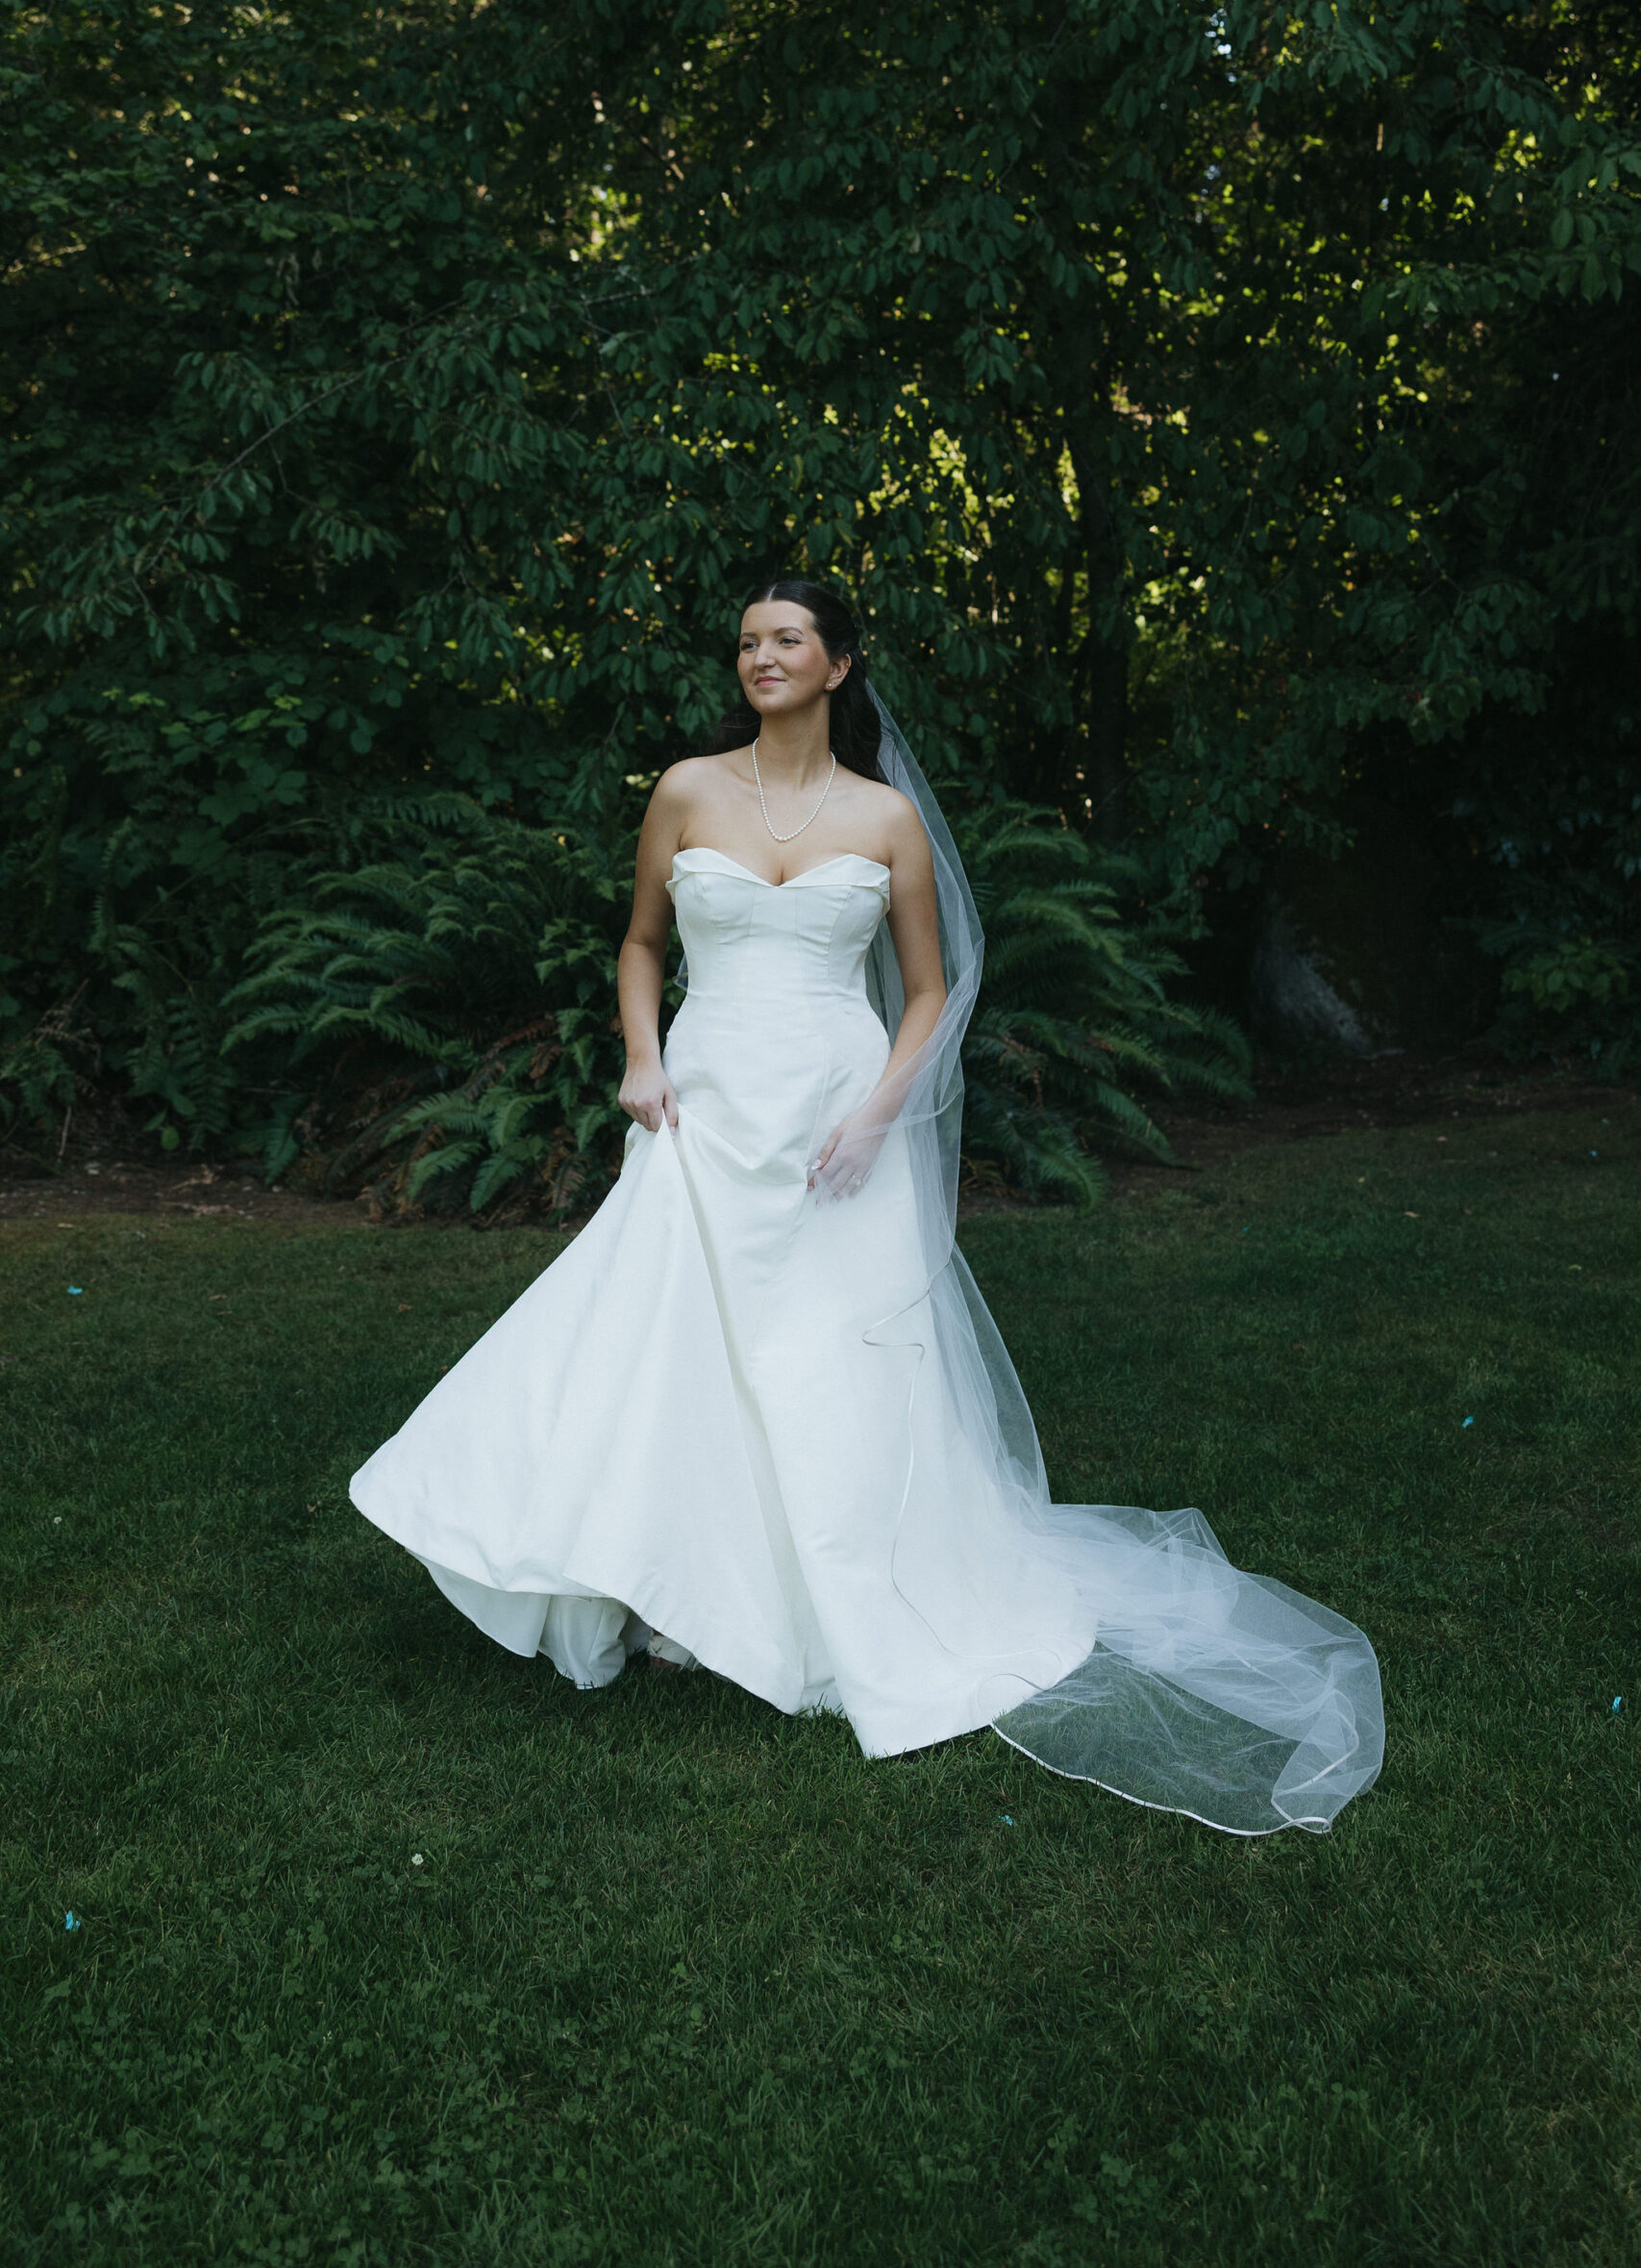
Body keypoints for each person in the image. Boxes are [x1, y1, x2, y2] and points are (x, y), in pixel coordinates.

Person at [351, 580, 1383, 1833]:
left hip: (838, 1117)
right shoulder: (687, 789)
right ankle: (670, 1591)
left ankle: (819, 1599)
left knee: (833, 1366)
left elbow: (931, 994)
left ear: (841, 664)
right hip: (711, 1106)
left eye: (787, 640)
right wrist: (639, 1056)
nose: (761, 657)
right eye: (746, 641)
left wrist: (881, 1111)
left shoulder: (886, 818)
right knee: (668, 1342)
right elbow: (637, 943)